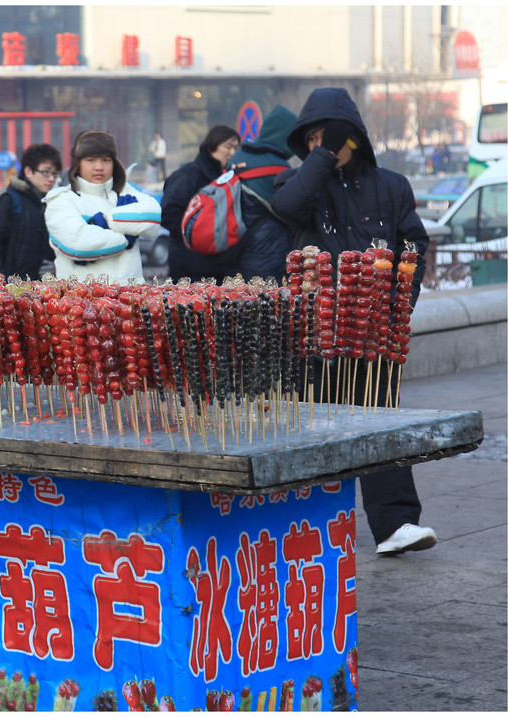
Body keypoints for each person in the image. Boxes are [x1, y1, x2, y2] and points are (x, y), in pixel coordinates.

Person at [270, 86, 436, 556]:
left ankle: (396, 523)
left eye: (329, 137)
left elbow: (413, 248)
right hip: (317, 329)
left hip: (371, 330)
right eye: (310, 139)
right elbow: (286, 209)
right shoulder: (296, 184)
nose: (316, 146)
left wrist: (399, 305)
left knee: (378, 419)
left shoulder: (392, 186)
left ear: (353, 138)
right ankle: (309, 524)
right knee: (315, 425)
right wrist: (323, 157)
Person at [44, 129, 161, 284]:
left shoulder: (125, 191)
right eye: (91, 160)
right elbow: (79, 245)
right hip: (84, 303)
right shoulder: (61, 200)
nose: (99, 167)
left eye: (106, 160)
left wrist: (106, 221)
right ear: (78, 164)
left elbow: (152, 218)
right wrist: (127, 236)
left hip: (132, 299)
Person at [210, 104, 299, 282]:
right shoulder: (277, 167)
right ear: (284, 136)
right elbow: (292, 213)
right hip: (266, 258)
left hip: (232, 251)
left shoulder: (238, 156)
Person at [160, 125, 240, 283]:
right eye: (228, 147)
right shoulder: (188, 175)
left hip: (221, 269)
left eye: (236, 148)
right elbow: (168, 214)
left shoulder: (229, 178)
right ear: (211, 146)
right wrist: (199, 233)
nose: (232, 153)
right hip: (189, 271)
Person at [0, 143, 62, 280]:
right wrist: (4, 285)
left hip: (36, 288)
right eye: (46, 172)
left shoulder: (47, 204)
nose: (51, 178)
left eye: (54, 173)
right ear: (28, 171)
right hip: (10, 291)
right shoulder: (9, 201)